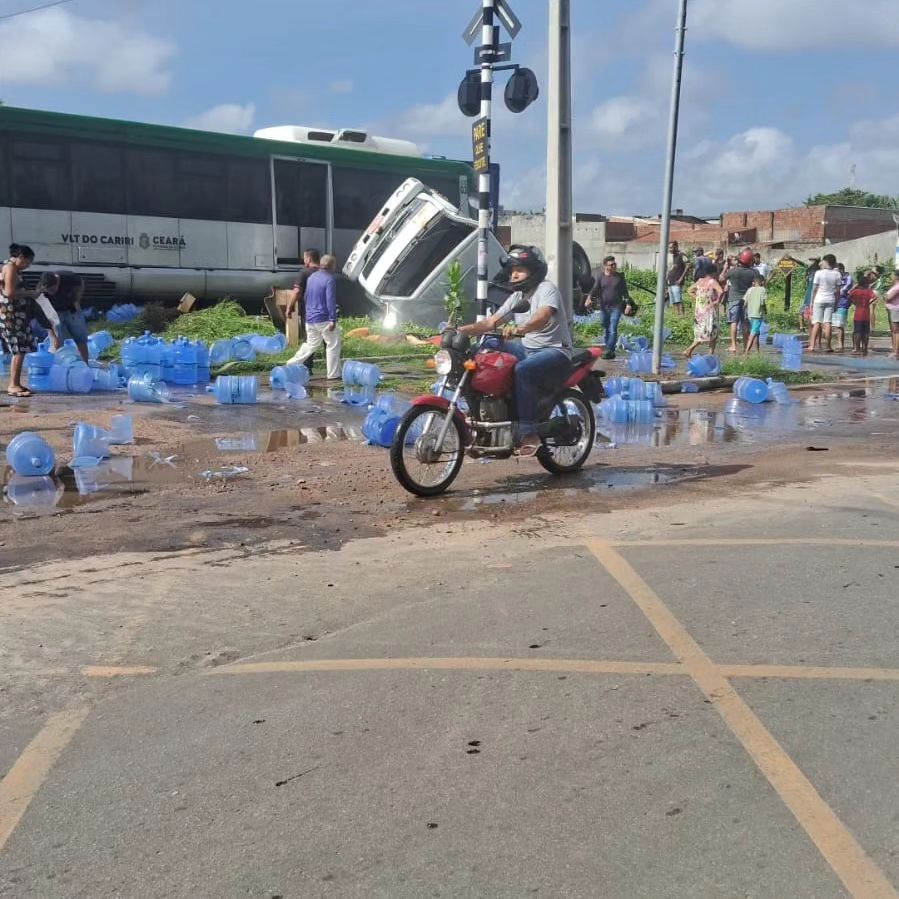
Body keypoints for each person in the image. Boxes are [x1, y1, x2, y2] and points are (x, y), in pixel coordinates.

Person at [459, 245, 572, 453]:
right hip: (527, 349)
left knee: (523, 370)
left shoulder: (546, 289)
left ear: (533, 270)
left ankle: (529, 432)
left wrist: (520, 328)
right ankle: (480, 412)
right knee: (484, 347)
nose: (514, 274)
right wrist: (459, 331)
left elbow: (543, 315)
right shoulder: (516, 298)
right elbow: (490, 323)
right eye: (512, 271)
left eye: (519, 269)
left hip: (555, 351)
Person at [286, 255, 342, 379]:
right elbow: (330, 300)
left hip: (310, 318)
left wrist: (308, 313)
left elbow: (306, 297)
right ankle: (333, 374)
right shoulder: (329, 279)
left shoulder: (312, 277)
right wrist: (333, 319)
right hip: (324, 318)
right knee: (333, 344)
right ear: (332, 265)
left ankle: (290, 364)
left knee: (311, 345)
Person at [0, 243, 37, 397]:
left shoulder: (10, 267)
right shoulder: (10, 268)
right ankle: (13, 385)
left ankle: (17, 383)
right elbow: (9, 292)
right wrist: (29, 294)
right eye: (27, 262)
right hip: (11, 315)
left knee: (21, 347)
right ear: (21, 257)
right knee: (18, 348)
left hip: (16, 314)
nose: (28, 266)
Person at [585, 255, 632, 360]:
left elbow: (625, 291)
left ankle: (610, 350)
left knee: (613, 328)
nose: (614, 266)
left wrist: (628, 304)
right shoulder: (600, 276)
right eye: (612, 264)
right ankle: (608, 348)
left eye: (615, 264)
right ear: (606, 266)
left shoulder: (620, 276)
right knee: (605, 326)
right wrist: (589, 298)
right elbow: (595, 288)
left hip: (617, 307)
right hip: (604, 307)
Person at [36, 271, 88, 363]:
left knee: (80, 339)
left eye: (52, 290)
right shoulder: (41, 289)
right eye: (48, 291)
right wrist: (50, 329)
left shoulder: (69, 277)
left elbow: (80, 283)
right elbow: (42, 308)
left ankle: (85, 364)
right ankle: (55, 367)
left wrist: (77, 300)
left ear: (57, 282)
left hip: (72, 310)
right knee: (56, 342)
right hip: (54, 313)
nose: (50, 293)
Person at [684, 257, 723, 358]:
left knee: (701, 332)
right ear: (713, 272)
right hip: (710, 311)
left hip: (700, 311)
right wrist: (717, 301)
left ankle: (696, 351)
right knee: (712, 333)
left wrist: (698, 298)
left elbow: (689, 290)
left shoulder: (700, 281)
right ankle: (695, 351)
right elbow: (721, 291)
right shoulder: (712, 281)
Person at [724, 249, 757, 353]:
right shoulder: (754, 272)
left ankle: (733, 346)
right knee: (745, 323)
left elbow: (721, 278)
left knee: (733, 322)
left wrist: (726, 267)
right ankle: (745, 346)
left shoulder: (733, 271)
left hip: (733, 299)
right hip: (747, 300)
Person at [809, 253, 841, 352]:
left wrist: (811, 301)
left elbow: (814, 289)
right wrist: (836, 302)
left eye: (822, 261)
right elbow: (838, 291)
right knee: (828, 323)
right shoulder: (837, 274)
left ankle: (812, 345)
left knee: (817, 322)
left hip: (819, 299)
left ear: (826, 261)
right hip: (830, 299)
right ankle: (828, 346)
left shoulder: (819, 273)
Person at [848, 274, 877, 356]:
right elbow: (875, 297)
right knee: (865, 332)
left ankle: (857, 348)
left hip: (858, 313)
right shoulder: (868, 291)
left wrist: (855, 303)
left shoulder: (856, 291)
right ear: (866, 283)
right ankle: (865, 348)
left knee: (857, 331)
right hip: (866, 313)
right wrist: (869, 303)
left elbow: (849, 295)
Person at [743, 273, 768, 355]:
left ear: (754, 282)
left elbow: (744, 302)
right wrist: (765, 310)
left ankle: (757, 352)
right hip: (757, 315)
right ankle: (747, 351)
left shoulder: (749, 290)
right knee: (753, 333)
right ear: (762, 282)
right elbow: (763, 302)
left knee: (756, 333)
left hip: (750, 315)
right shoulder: (763, 290)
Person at [831, 263, 853, 352]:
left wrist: (837, 291)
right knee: (833, 325)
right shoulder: (834, 278)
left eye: (836, 271)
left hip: (842, 303)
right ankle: (836, 343)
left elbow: (844, 290)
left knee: (839, 325)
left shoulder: (848, 278)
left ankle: (841, 345)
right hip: (833, 303)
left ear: (841, 270)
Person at [666, 241, 687, 317]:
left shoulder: (681, 255)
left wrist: (681, 278)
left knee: (678, 300)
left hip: (677, 281)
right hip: (670, 281)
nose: (670, 249)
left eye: (671, 247)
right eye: (669, 247)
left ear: (676, 247)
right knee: (673, 301)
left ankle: (681, 316)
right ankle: (676, 318)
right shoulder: (672, 256)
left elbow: (689, 264)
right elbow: (669, 269)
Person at [884, 270, 899, 359]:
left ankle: (896, 352)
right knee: (894, 331)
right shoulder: (894, 286)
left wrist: (885, 296)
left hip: (896, 309)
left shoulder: (897, 287)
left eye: (892, 275)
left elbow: (889, 297)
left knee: (896, 331)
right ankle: (895, 350)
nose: (891, 277)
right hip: (893, 309)